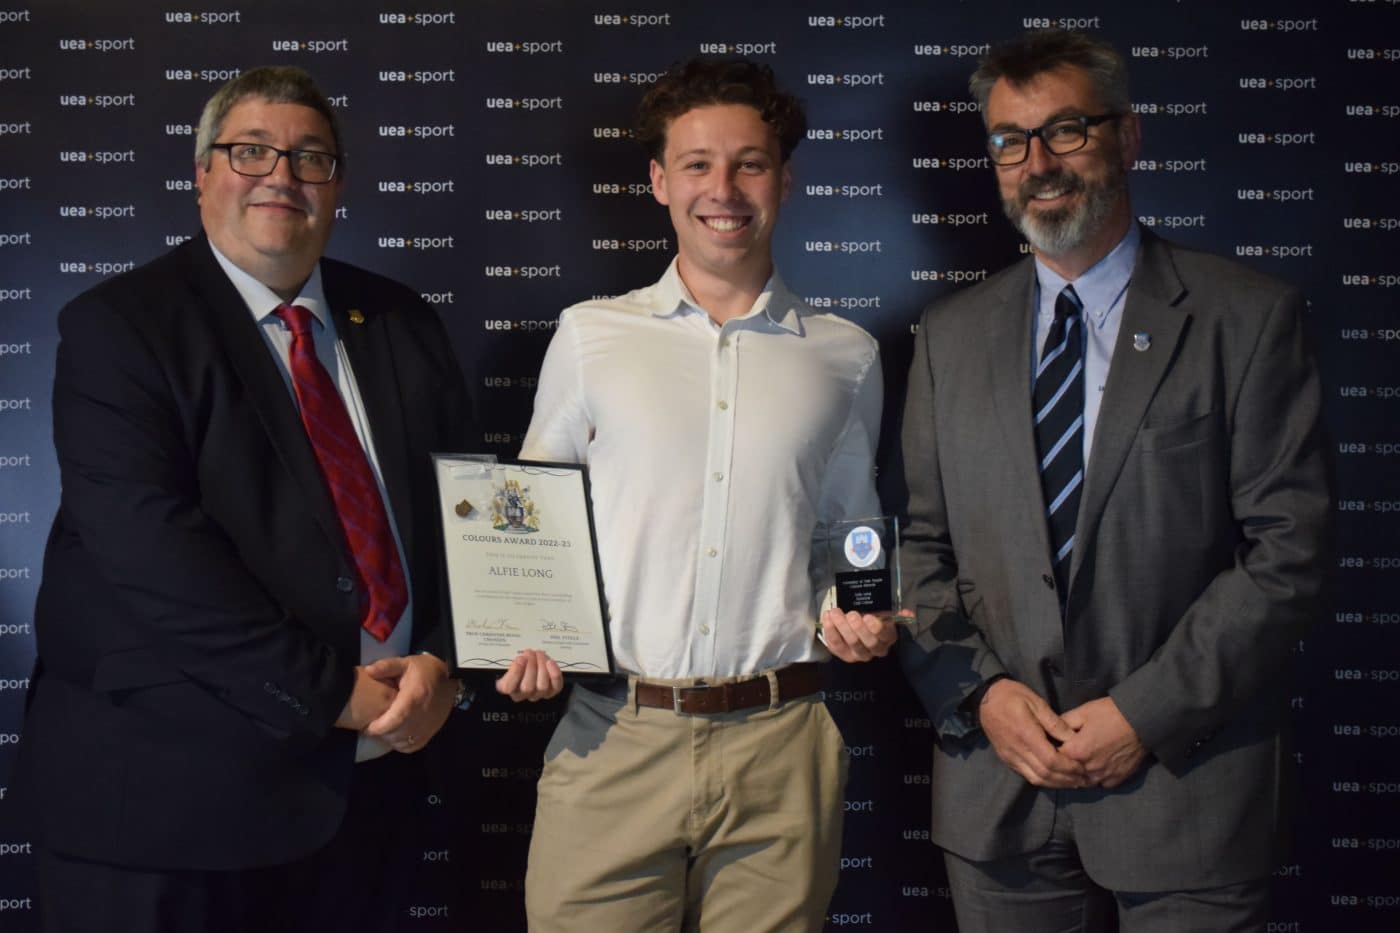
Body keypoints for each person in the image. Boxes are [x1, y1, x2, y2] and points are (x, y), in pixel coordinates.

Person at [14, 66, 474, 932]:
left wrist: (445, 662)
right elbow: (152, 551)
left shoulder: (402, 322)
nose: (282, 176)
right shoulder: (121, 326)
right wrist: (333, 693)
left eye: (310, 157)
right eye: (251, 151)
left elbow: (467, 516)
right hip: (166, 809)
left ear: (338, 184)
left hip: (367, 793)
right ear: (201, 173)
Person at [896, 29, 1330, 933]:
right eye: (1010, 141)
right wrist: (982, 696)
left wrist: (1143, 713)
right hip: (1000, 793)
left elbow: (1288, 553)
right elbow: (919, 548)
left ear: (1127, 137)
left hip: (1188, 789)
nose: (1038, 163)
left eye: (1066, 130)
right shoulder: (948, 336)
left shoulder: (1246, 318)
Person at [501, 57, 898, 931]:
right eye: (697, 164)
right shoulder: (590, 336)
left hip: (781, 749)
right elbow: (529, 522)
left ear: (784, 180)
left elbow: (848, 533)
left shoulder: (846, 355)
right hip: (614, 741)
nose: (723, 189)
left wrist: (855, 609)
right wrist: (522, 629)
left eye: (750, 163)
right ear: (658, 181)